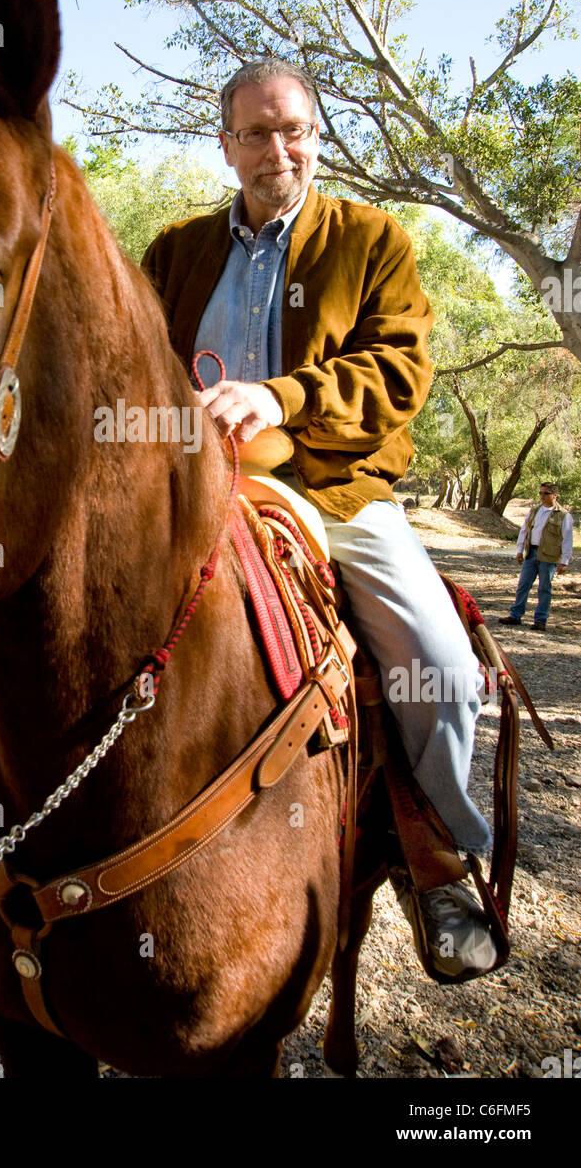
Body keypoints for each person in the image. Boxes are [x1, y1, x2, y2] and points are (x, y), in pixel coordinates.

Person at [142, 57, 497, 979]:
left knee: (435, 660)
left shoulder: (372, 240)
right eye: (256, 132)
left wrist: (284, 397)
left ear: (315, 136)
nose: (279, 149)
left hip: (335, 489)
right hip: (187, 489)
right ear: (224, 146)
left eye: (294, 129)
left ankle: (442, 865)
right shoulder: (174, 251)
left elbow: (399, 372)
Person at [499, 482, 573, 632]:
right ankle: (515, 615)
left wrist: (564, 561)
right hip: (531, 553)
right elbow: (524, 531)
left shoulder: (564, 516)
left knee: (544, 588)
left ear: (554, 495)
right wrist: (520, 550)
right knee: (523, 585)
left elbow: (567, 539)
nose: (542, 496)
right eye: (540, 493)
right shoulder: (534, 511)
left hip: (549, 556)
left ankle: (540, 620)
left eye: (545, 493)